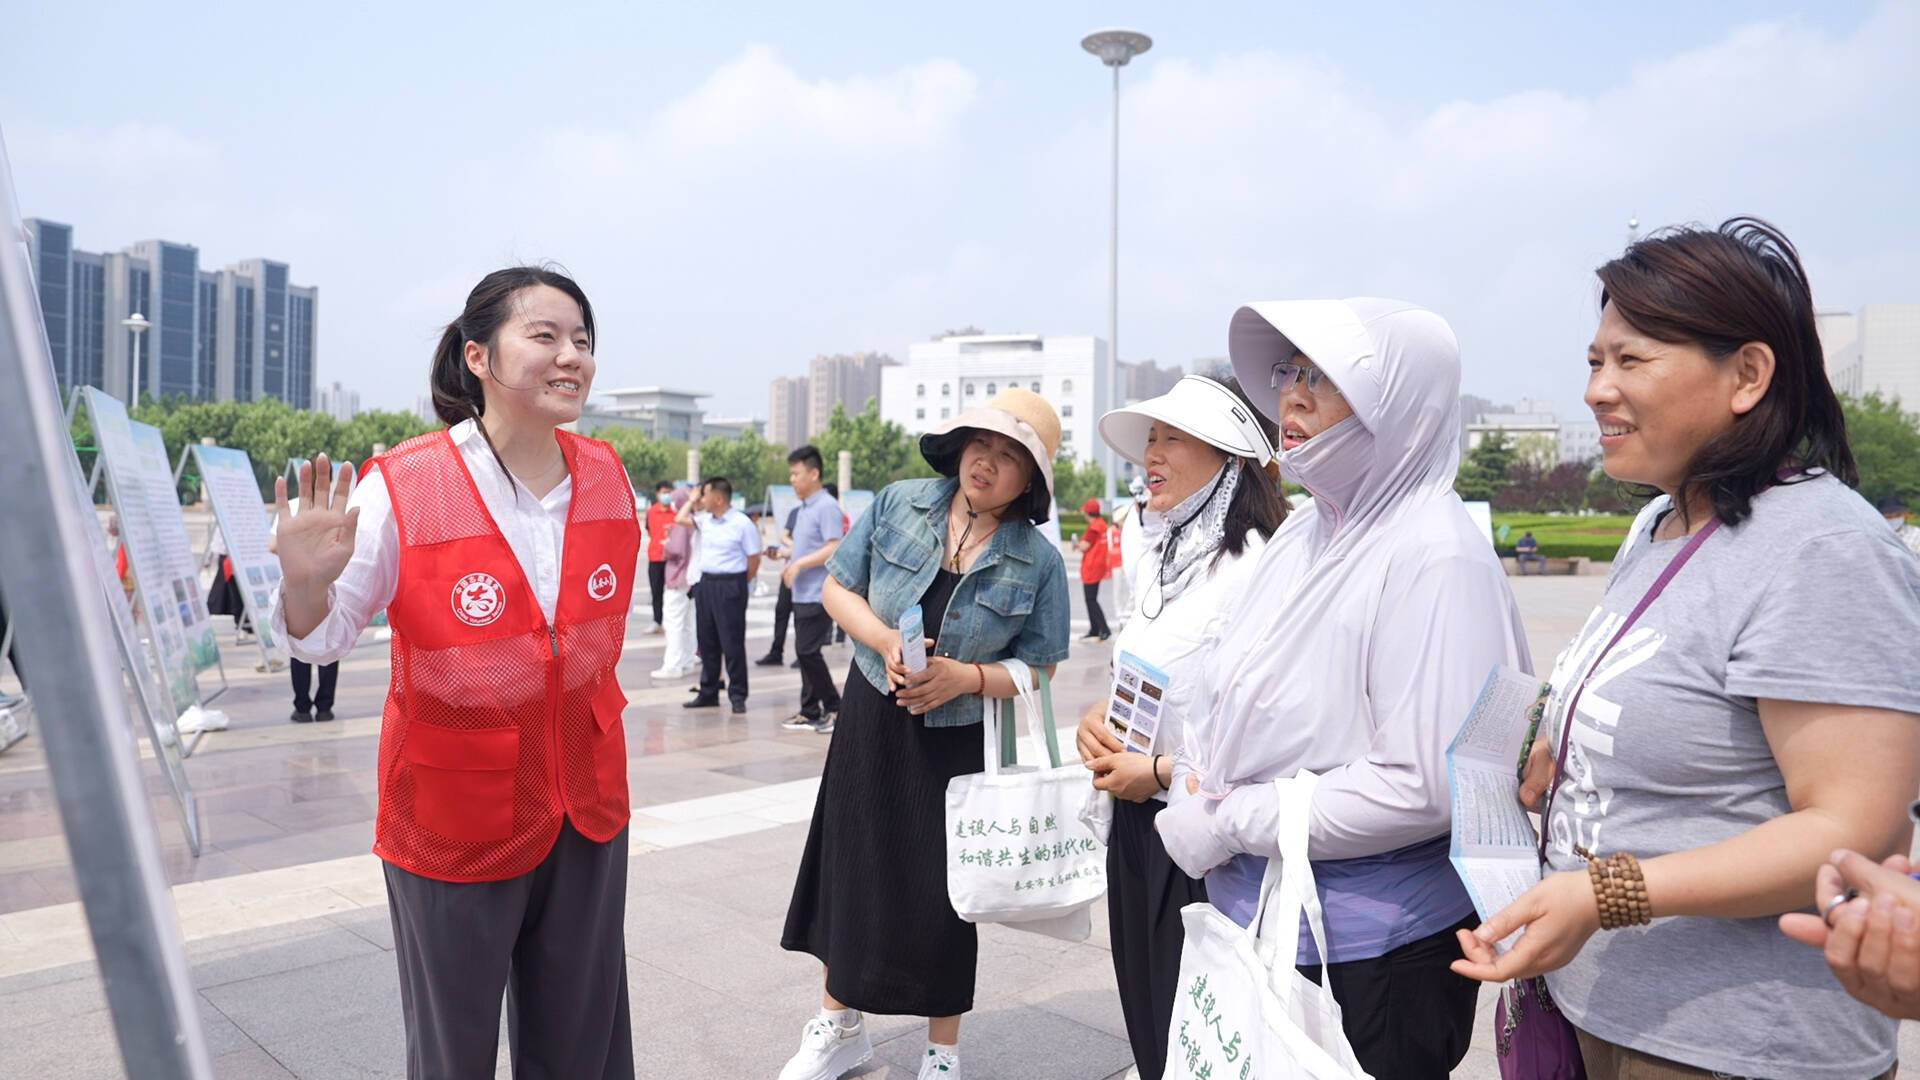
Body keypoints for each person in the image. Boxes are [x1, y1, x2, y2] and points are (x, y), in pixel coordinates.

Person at [1452, 219, 1920, 1080]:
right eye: (1595, 360)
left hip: (1734, 1043)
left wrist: (1607, 893)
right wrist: (1566, 738)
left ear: (1747, 375)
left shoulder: (1823, 550)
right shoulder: (1658, 522)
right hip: (1604, 1005)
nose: (1597, 389)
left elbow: (1853, 825)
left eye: (1631, 360)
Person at [271, 266, 638, 1078]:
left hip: (585, 805)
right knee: (453, 1050)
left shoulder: (609, 474)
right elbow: (319, 639)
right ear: (478, 355)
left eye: (582, 340)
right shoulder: (403, 483)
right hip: (452, 813)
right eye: (544, 336)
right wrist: (303, 581)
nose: (570, 355)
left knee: (584, 1045)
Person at [1155, 298, 1531, 1079]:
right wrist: (1197, 777)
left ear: (1398, 405)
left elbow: (1427, 784)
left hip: (1372, 955)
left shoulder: (1433, 554)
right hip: (1263, 914)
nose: (1291, 395)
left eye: (1321, 378)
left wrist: (1228, 820)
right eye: (1287, 372)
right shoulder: (1309, 529)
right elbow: (1236, 683)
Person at [778, 388, 1072, 1080]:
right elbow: (836, 588)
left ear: (1029, 480)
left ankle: (943, 1053)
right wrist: (883, 641)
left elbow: (1042, 666)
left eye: (1010, 457)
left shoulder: (1039, 561)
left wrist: (965, 677)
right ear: (960, 446)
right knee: (852, 869)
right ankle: (839, 1026)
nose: (988, 464)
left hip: (955, 741)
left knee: (944, 894)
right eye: (982, 445)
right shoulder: (899, 501)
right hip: (871, 719)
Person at [1075, 374, 1287, 1080]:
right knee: (1146, 1001)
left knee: (1194, 1019)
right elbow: (1149, 677)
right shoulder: (1164, 555)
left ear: (1229, 456)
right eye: (1149, 441)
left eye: (1171, 438)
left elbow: (1270, 731)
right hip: (1135, 819)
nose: (1151, 455)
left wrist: (1162, 771)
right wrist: (1101, 724)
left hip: (1206, 839)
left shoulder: (1258, 567)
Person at [777, 446, 847, 734]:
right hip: (801, 591)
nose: (792, 479)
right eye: (791, 474)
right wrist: (790, 561)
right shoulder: (805, 508)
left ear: (814, 473)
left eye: (797, 473)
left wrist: (800, 565)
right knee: (805, 651)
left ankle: (834, 707)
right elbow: (809, 546)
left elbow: (834, 546)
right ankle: (809, 710)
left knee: (806, 651)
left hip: (820, 592)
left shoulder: (826, 506)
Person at [680, 476, 760, 714]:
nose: (700, 499)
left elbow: (754, 559)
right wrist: (692, 500)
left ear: (718, 498)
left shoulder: (742, 523)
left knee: (731, 642)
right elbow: (680, 519)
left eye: (703, 495)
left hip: (731, 585)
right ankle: (708, 692)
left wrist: (738, 583)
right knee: (707, 641)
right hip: (706, 584)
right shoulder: (706, 520)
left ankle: (737, 696)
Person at [268, 493, 338, 723]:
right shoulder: (336, 507)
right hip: (328, 586)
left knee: (298, 648)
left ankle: (302, 707)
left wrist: (298, 554)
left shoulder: (291, 506)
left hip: (297, 587)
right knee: (329, 646)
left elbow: (273, 545)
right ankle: (325, 707)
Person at [651, 485, 699, 681]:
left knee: (674, 624)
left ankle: (672, 665)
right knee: (687, 623)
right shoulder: (694, 521)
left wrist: (667, 544)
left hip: (677, 577)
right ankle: (687, 660)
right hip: (689, 578)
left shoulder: (681, 523)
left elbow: (676, 550)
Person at [759, 502, 803, 668]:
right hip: (789, 570)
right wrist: (795, 547)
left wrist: (795, 549)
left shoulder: (822, 513)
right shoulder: (797, 511)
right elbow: (784, 536)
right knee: (781, 611)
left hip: (806, 574)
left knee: (801, 614)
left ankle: (802, 654)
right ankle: (776, 651)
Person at [1072, 498, 1113, 642]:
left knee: (1091, 599)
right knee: (1091, 599)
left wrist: (1076, 545)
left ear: (1088, 513)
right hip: (1098, 565)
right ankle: (1094, 629)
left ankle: (1104, 629)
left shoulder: (1094, 528)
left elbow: (1084, 546)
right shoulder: (1101, 524)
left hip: (1092, 567)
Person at [644, 480, 675, 633]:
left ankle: (670, 621)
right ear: (657, 494)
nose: (667, 495)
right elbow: (649, 531)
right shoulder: (651, 511)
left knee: (672, 592)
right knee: (656, 591)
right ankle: (657, 620)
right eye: (664, 492)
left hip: (672, 559)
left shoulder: (676, 513)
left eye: (669, 492)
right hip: (655, 557)